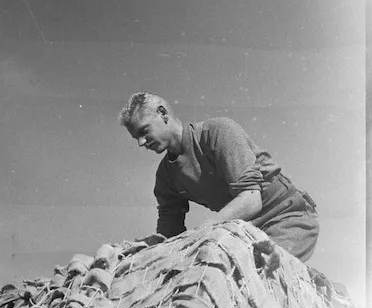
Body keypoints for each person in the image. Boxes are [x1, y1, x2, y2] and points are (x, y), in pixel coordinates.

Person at [118, 92, 319, 262]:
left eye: (144, 131)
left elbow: (250, 199)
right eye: (136, 137)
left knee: (255, 276)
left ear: (162, 113)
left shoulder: (218, 132)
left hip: (285, 216)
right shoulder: (166, 177)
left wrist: (203, 231)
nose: (141, 142)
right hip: (242, 232)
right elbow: (169, 231)